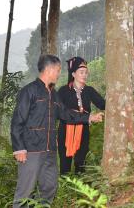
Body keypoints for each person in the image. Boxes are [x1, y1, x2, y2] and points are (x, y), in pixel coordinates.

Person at [10, 54, 103, 207]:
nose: (59, 74)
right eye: (58, 70)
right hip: (32, 150)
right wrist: (19, 148)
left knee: (50, 187)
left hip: (50, 151)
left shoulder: (53, 94)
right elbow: (17, 121)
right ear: (50, 69)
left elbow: (66, 113)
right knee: (24, 193)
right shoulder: (29, 91)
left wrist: (88, 118)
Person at [57, 56, 105, 175]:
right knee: (65, 164)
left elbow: (103, 104)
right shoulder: (63, 91)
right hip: (65, 129)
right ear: (73, 74)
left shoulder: (89, 90)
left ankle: (81, 189)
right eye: (81, 72)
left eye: (86, 72)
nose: (85, 75)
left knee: (81, 162)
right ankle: (66, 186)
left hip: (84, 129)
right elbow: (58, 112)